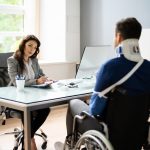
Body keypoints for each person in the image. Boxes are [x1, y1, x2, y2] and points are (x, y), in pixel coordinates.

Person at [65, 17, 150, 149]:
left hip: (109, 132)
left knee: (73, 102)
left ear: (119, 37)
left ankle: (70, 145)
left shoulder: (110, 67)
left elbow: (95, 110)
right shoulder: (148, 67)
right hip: (137, 132)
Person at [7, 35, 50, 150]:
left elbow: (40, 73)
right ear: (23, 45)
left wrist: (45, 78)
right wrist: (36, 81)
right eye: (30, 45)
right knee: (28, 111)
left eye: (35, 47)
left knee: (46, 109)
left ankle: (27, 136)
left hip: (33, 96)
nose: (32, 49)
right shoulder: (12, 60)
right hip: (16, 99)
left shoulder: (34, 60)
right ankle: (30, 141)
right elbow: (16, 82)